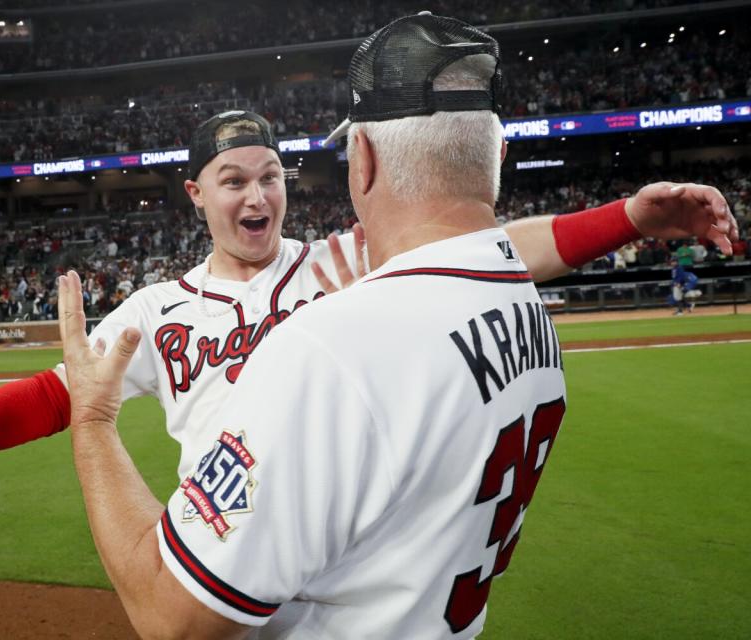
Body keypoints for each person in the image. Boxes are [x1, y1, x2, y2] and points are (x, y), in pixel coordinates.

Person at [57, 13, 738, 638]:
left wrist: (91, 420)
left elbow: (169, 616)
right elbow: (510, 246)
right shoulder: (516, 304)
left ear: (365, 162)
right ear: (494, 160)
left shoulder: (326, 351)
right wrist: (628, 218)